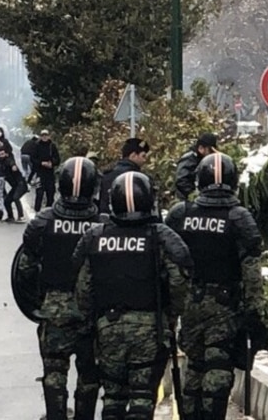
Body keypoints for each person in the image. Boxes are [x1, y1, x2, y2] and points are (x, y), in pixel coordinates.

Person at [74, 171, 192, 420]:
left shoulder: (95, 236)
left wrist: (91, 323)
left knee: (113, 398)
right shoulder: (161, 237)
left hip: (108, 328)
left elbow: (83, 289)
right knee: (142, 398)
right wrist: (171, 317)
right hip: (150, 330)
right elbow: (179, 282)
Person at [165, 153, 264, 420]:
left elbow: (166, 262)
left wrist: (169, 307)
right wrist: (255, 313)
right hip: (224, 306)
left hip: (190, 304)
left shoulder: (181, 214)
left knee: (194, 366)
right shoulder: (238, 217)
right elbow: (252, 272)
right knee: (218, 366)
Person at [20, 157, 102, 420]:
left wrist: (38, 303)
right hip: (93, 310)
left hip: (54, 308)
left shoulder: (42, 223)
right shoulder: (104, 225)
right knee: (89, 374)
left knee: (54, 371)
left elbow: (25, 270)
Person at [98, 138, 151, 215]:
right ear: (133, 155)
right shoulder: (139, 179)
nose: (144, 160)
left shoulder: (107, 175)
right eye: (143, 156)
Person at [174, 132, 218, 201]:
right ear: (201, 148)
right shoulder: (189, 159)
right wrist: (194, 195)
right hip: (187, 201)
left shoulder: (203, 160)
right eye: (210, 150)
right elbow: (181, 181)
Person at [30, 130, 61, 209]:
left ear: (49, 136)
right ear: (40, 136)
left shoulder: (52, 146)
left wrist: (52, 163)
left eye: (46, 135)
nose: (44, 137)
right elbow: (32, 158)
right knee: (39, 193)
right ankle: (37, 211)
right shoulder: (36, 145)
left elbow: (57, 159)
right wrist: (41, 163)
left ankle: (49, 210)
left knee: (50, 193)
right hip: (40, 173)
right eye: (43, 135)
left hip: (50, 174)